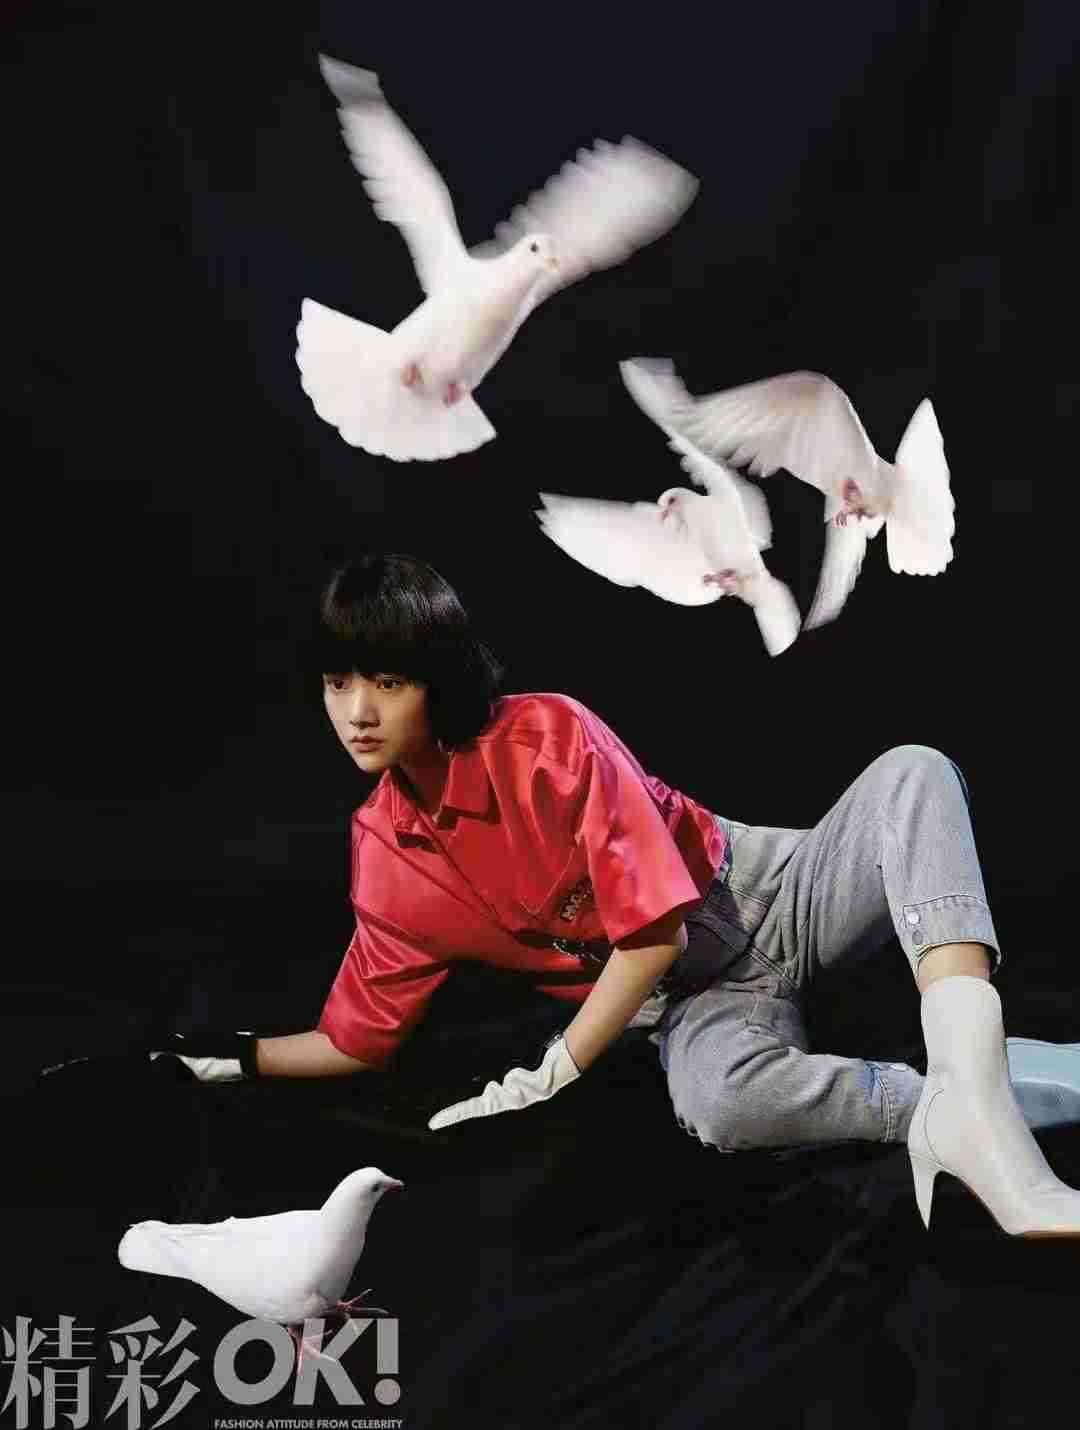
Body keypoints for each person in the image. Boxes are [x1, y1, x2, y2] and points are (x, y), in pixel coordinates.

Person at [63, 553, 1080, 1238]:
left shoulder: (546, 736)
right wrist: (225, 1058)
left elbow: (656, 926)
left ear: (437, 678)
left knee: (914, 776)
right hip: (690, 1002)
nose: (358, 712)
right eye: (338, 683)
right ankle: (951, 1103)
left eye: (388, 681)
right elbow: (358, 1040)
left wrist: (559, 1065)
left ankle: (978, 1107)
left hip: (764, 889)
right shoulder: (383, 857)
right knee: (720, 1105)